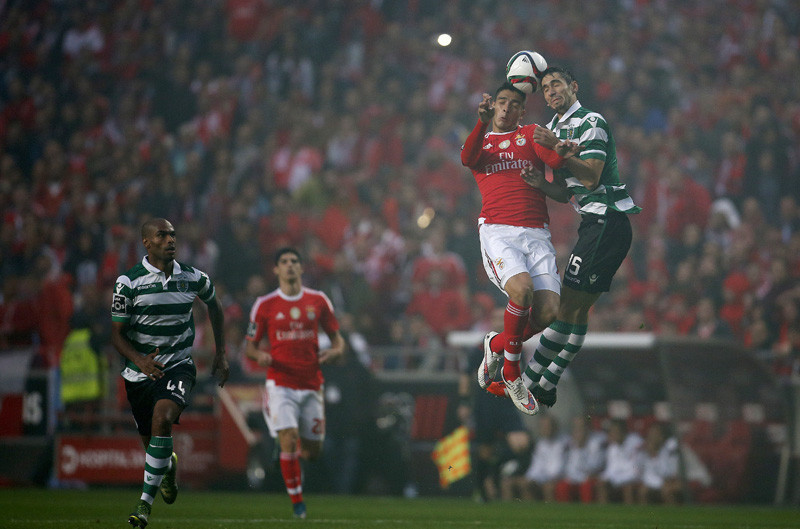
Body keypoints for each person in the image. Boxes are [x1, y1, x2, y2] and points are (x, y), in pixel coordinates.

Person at [486, 66, 641, 407]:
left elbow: (590, 179)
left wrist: (558, 148)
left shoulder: (591, 122)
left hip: (608, 219)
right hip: (593, 223)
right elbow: (565, 191)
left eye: (557, 84)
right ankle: (546, 383)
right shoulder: (553, 128)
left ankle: (532, 381)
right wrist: (540, 183)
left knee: (566, 306)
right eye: (545, 87)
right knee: (577, 309)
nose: (551, 90)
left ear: (573, 86)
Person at [460, 81, 581, 415]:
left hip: (537, 233)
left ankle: (497, 344)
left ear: (522, 111)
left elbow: (552, 157)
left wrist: (563, 152)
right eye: (501, 102)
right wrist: (480, 121)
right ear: (493, 105)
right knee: (523, 291)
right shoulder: (480, 139)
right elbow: (468, 158)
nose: (506, 108)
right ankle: (512, 372)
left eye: (514, 104)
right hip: (499, 231)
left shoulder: (530, 134)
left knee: (548, 313)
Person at [111, 218, 229, 528]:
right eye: (162, 235)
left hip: (178, 366)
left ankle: (143, 506)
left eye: (173, 234)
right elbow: (116, 335)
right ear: (147, 243)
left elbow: (215, 305)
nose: (170, 240)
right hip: (139, 374)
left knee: (163, 417)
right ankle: (167, 469)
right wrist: (141, 360)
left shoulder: (192, 277)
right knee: (153, 445)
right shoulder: (128, 282)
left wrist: (221, 353)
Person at [245, 247, 345, 519]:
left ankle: (289, 443)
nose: (290, 266)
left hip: (312, 385)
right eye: (284, 262)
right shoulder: (264, 305)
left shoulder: (318, 301)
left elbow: (338, 341)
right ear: (276, 269)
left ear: (301, 269)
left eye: (294, 262)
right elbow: (249, 347)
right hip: (281, 384)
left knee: (312, 452)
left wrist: (335, 352)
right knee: (289, 439)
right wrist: (260, 356)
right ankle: (298, 504)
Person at [456, 307, 531, 502]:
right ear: (491, 321)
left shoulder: (516, 344)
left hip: (506, 403)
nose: (500, 321)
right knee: (485, 451)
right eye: (497, 318)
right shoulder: (481, 346)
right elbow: (465, 374)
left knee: (522, 443)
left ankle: (496, 474)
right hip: (486, 403)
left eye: (503, 318)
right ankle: (482, 490)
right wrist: (464, 402)